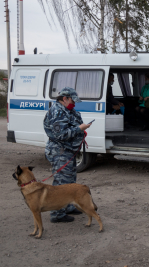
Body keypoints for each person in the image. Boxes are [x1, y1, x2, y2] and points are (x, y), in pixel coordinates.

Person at [43, 87, 92, 223]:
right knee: (61, 184)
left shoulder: (68, 110)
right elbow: (61, 134)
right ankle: (57, 214)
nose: (74, 104)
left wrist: (80, 129)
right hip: (60, 152)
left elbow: (74, 122)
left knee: (69, 181)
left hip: (68, 151)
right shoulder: (57, 111)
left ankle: (68, 206)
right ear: (64, 99)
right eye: (72, 100)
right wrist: (79, 129)